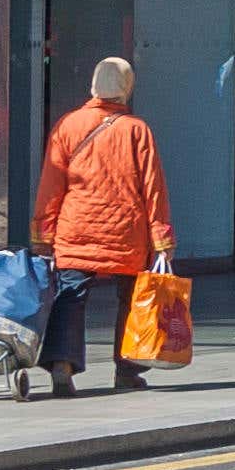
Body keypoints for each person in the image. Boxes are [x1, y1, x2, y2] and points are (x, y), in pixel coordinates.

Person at [35, 55, 174, 396]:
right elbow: (153, 188)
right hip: (125, 230)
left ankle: (62, 365)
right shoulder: (137, 130)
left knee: (70, 296)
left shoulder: (68, 126)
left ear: (95, 85)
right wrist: (162, 237)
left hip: (76, 227)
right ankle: (127, 370)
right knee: (131, 299)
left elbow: (51, 184)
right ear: (127, 87)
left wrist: (43, 232)